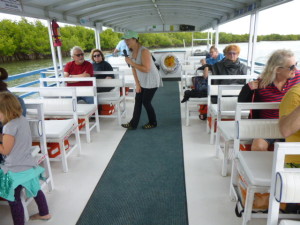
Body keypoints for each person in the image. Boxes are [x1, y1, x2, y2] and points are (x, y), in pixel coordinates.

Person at [0, 92, 51, 224]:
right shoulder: (22, 120)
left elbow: (5, 150)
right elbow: (14, 140)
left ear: (5, 111)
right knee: (36, 190)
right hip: (28, 165)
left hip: (14, 170)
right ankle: (44, 213)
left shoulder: (8, 126)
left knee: (13, 198)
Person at [238, 49, 300, 151]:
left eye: (296, 64)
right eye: (292, 67)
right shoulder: (261, 84)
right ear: (277, 69)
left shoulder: (298, 77)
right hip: (267, 125)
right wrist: (247, 88)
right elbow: (242, 102)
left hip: (291, 125)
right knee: (257, 147)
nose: (296, 68)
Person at [120, 31, 162, 130]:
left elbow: (146, 69)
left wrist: (131, 62)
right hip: (142, 80)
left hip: (152, 80)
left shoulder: (144, 51)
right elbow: (133, 69)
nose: (126, 41)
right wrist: (137, 84)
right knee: (138, 100)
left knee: (146, 102)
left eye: (128, 39)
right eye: (125, 39)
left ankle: (153, 122)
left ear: (135, 39)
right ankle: (133, 124)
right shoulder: (130, 51)